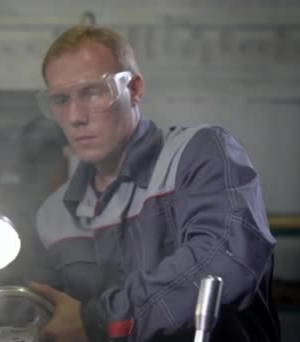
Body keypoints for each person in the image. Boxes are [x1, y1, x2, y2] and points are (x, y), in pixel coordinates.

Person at [26, 24, 281, 342]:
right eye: (61, 100)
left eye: (92, 92)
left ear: (134, 90)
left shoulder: (197, 154)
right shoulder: (52, 215)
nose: (76, 116)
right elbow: (44, 314)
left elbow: (222, 264)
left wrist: (100, 319)